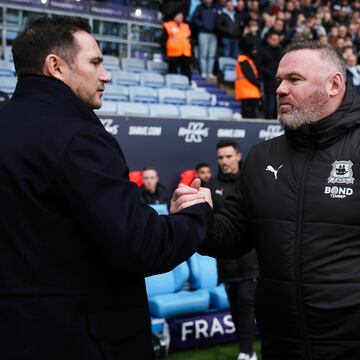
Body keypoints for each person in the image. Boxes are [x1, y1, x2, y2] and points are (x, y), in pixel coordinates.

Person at [0, 16, 213, 360]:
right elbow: (140, 246)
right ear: (55, 66)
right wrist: (196, 214)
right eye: (96, 62)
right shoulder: (78, 135)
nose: (106, 74)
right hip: (79, 340)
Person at [177, 40, 360, 359]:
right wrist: (199, 216)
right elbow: (233, 236)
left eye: (294, 80)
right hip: (280, 345)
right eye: (278, 81)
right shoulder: (262, 156)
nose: (280, 89)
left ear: (334, 84)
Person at [206, 140, 258, 360]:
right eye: (220, 158)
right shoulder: (211, 186)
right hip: (226, 263)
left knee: (246, 306)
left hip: (251, 261)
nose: (224, 161)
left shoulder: (252, 181)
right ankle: (246, 350)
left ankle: (247, 352)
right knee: (236, 310)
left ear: (238, 156)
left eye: (228, 156)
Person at [255, 31, 282, 119]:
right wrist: (268, 73)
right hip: (267, 82)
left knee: (276, 106)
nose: (276, 42)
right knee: (269, 105)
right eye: (274, 39)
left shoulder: (281, 51)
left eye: (277, 40)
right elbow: (258, 65)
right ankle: (268, 121)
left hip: (279, 83)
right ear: (269, 40)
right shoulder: (263, 51)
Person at [161, 8, 192, 83]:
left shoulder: (186, 26)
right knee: (172, 71)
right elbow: (163, 40)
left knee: (186, 71)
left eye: (182, 16)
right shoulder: (168, 25)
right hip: (173, 53)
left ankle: (187, 84)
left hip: (185, 53)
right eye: (179, 16)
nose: (181, 17)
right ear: (174, 16)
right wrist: (164, 53)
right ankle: (172, 84)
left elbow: (189, 39)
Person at [191, 0, 218, 79]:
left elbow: (218, 20)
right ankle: (203, 72)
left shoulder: (215, 8)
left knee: (211, 55)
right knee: (203, 54)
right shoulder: (199, 7)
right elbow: (194, 19)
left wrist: (215, 27)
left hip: (213, 34)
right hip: (203, 33)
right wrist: (202, 25)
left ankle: (209, 72)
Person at [235, 50, 261, 118]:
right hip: (248, 92)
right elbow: (250, 75)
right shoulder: (243, 60)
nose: (255, 52)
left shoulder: (246, 60)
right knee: (250, 115)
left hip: (248, 92)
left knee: (248, 115)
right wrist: (258, 85)